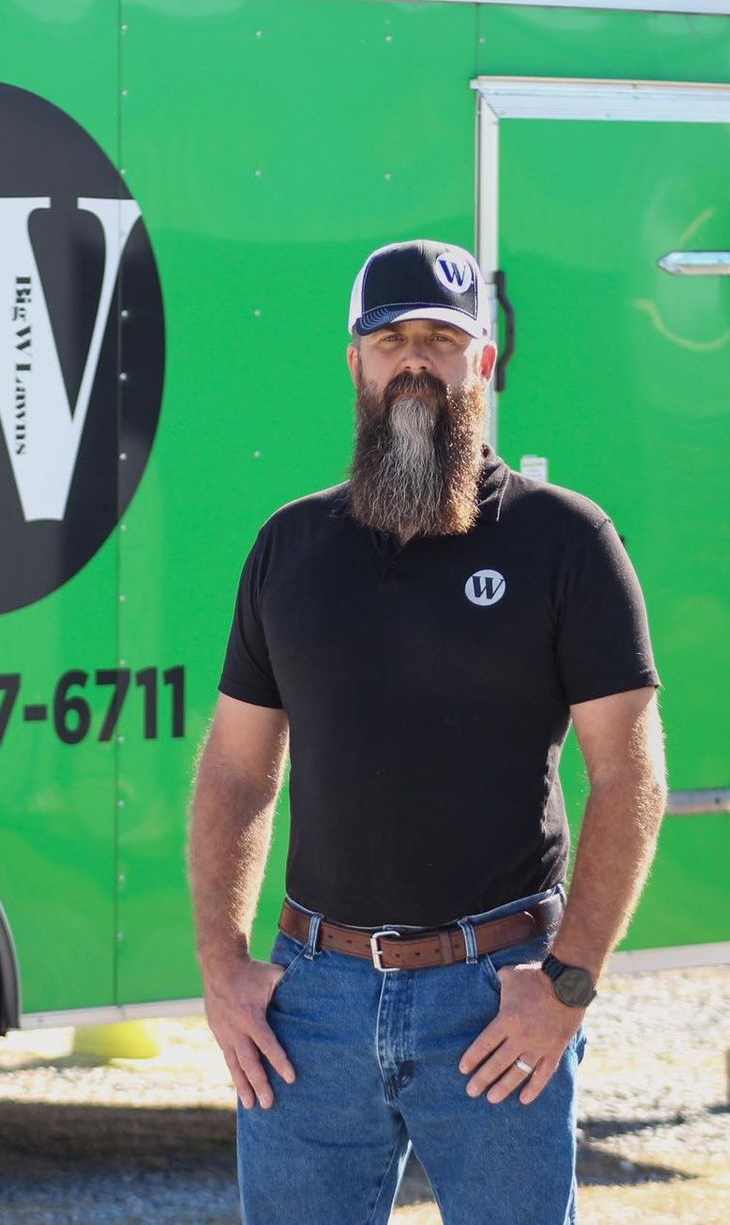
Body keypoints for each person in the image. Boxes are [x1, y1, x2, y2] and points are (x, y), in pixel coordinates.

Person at [187, 239, 667, 1224]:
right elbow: (237, 771)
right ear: (355, 362)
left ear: (482, 362)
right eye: (391, 338)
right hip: (310, 1009)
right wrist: (224, 968)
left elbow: (630, 776)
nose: (416, 359)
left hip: (496, 1006)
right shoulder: (291, 547)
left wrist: (568, 981)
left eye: (442, 340)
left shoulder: (566, 541)